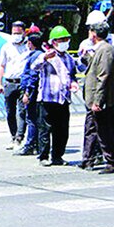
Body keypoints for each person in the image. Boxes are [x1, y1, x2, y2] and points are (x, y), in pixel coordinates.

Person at [81, 17, 114, 174]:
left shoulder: (106, 50)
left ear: (94, 34)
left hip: (104, 99)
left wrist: (98, 101)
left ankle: (112, 161)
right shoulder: (101, 50)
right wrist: (86, 58)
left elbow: (103, 76)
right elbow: (96, 68)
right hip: (101, 98)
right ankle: (93, 159)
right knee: (97, 129)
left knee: (104, 131)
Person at [34, 26, 80, 167]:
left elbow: (72, 74)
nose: (65, 42)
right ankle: (44, 156)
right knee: (45, 129)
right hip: (47, 98)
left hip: (63, 99)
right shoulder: (47, 56)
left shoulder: (69, 58)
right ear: (54, 42)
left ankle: (58, 156)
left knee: (62, 130)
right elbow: (34, 66)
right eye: (62, 40)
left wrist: (73, 83)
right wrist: (44, 58)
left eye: (66, 40)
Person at [0, 21, 30, 148]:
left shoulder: (28, 46)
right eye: (13, 33)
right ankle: (13, 135)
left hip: (23, 83)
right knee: (10, 112)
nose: (15, 35)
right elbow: (1, 65)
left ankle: (19, 138)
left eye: (18, 33)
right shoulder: (6, 47)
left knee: (22, 111)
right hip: (9, 82)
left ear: (24, 32)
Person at [17, 31, 45, 157]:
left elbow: (32, 76)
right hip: (36, 91)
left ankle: (30, 144)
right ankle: (37, 144)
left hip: (32, 92)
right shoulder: (39, 54)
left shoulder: (35, 56)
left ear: (30, 43)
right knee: (35, 118)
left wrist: (27, 93)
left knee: (31, 118)